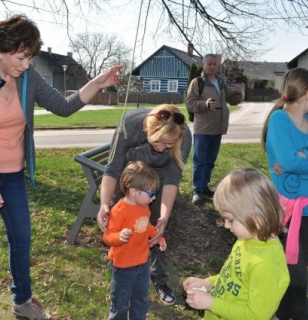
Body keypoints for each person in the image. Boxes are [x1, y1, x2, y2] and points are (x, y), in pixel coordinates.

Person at [0, 15, 122, 320]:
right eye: (21, 58)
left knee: (21, 238)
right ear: (0, 51)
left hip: (13, 176)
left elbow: (63, 106)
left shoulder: (28, 78)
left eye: (30, 57)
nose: (27, 64)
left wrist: (98, 82)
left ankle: (22, 300)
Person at [97, 103, 192, 306]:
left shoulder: (183, 135)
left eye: (170, 145)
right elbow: (113, 169)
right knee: (121, 225)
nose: (163, 149)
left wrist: (164, 218)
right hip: (130, 175)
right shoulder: (129, 126)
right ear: (150, 129)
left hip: (158, 179)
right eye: (161, 142)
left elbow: (171, 181)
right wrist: (105, 204)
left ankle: (160, 281)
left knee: (155, 229)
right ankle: (119, 278)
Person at [183, 168, 289, 320]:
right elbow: (233, 278)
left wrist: (211, 303)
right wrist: (208, 283)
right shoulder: (246, 240)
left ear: (256, 219)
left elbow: (256, 316)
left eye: (231, 220)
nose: (226, 225)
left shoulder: (266, 265)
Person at [261, 67, 308, 320]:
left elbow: (293, 161)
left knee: (295, 278)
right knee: (296, 277)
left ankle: (280, 313)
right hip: (291, 215)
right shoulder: (280, 120)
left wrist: (300, 159)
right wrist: (294, 160)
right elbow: (289, 163)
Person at [103, 160, 167, 319]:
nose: (153, 198)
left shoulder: (144, 206)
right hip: (123, 267)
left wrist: (158, 236)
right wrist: (119, 236)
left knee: (141, 299)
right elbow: (108, 237)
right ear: (133, 191)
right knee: (120, 302)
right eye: (151, 194)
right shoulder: (119, 210)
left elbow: (146, 226)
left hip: (143, 263)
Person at [186, 54, 243, 205]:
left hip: (217, 128)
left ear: (218, 66)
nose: (212, 66)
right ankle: (197, 190)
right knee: (200, 160)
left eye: (214, 64)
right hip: (203, 128)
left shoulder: (221, 82)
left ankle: (204, 186)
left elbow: (233, 100)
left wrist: (238, 93)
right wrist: (205, 104)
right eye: (209, 64)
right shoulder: (197, 82)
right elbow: (190, 103)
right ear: (204, 65)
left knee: (210, 160)